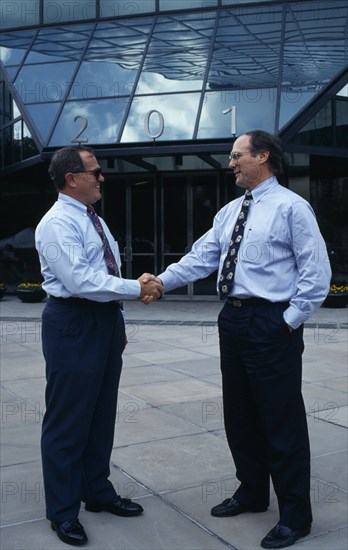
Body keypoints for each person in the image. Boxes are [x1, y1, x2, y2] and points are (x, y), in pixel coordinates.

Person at [144, 130, 331, 549]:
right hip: (233, 321)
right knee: (241, 416)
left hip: (270, 323)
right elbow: (202, 257)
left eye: (237, 156)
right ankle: (252, 493)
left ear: (262, 156)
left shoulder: (291, 208)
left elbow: (316, 273)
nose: (230, 163)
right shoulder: (230, 212)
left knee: (280, 422)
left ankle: (296, 515)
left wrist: (288, 320)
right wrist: (159, 282)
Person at [35, 146, 163, 546]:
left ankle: (97, 492)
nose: (101, 177)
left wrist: (118, 320)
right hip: (73, 322)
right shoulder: (56, 224)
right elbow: (80, 280)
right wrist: (135, 288)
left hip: (103, 322)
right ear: (72, 178)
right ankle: (62, 511)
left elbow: (106, 272)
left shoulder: (93, 220)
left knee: (100, 414)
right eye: (95, 171)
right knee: (68, 420)